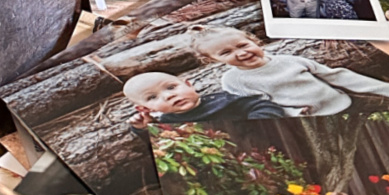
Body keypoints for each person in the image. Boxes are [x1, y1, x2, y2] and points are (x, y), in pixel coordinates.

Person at [190, 26, 389, 117]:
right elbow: (257, 106)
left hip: (343, 104)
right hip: (307, 119)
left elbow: (338, 76)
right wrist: (292, 114)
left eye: (243, 45)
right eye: (226, 53)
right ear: (212, 60)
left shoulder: (289, 60)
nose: (240, 54)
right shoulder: (234, 80)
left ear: (254, 40)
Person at [121, 71, 288, 126]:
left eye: (171, 87)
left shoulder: (224, 101)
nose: (169, 95)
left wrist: (258, 123)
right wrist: (143, 128)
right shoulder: (168, 123)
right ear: (145, 109)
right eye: (152, 97)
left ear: (189, 85)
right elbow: (157, 145)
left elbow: (263, 106)